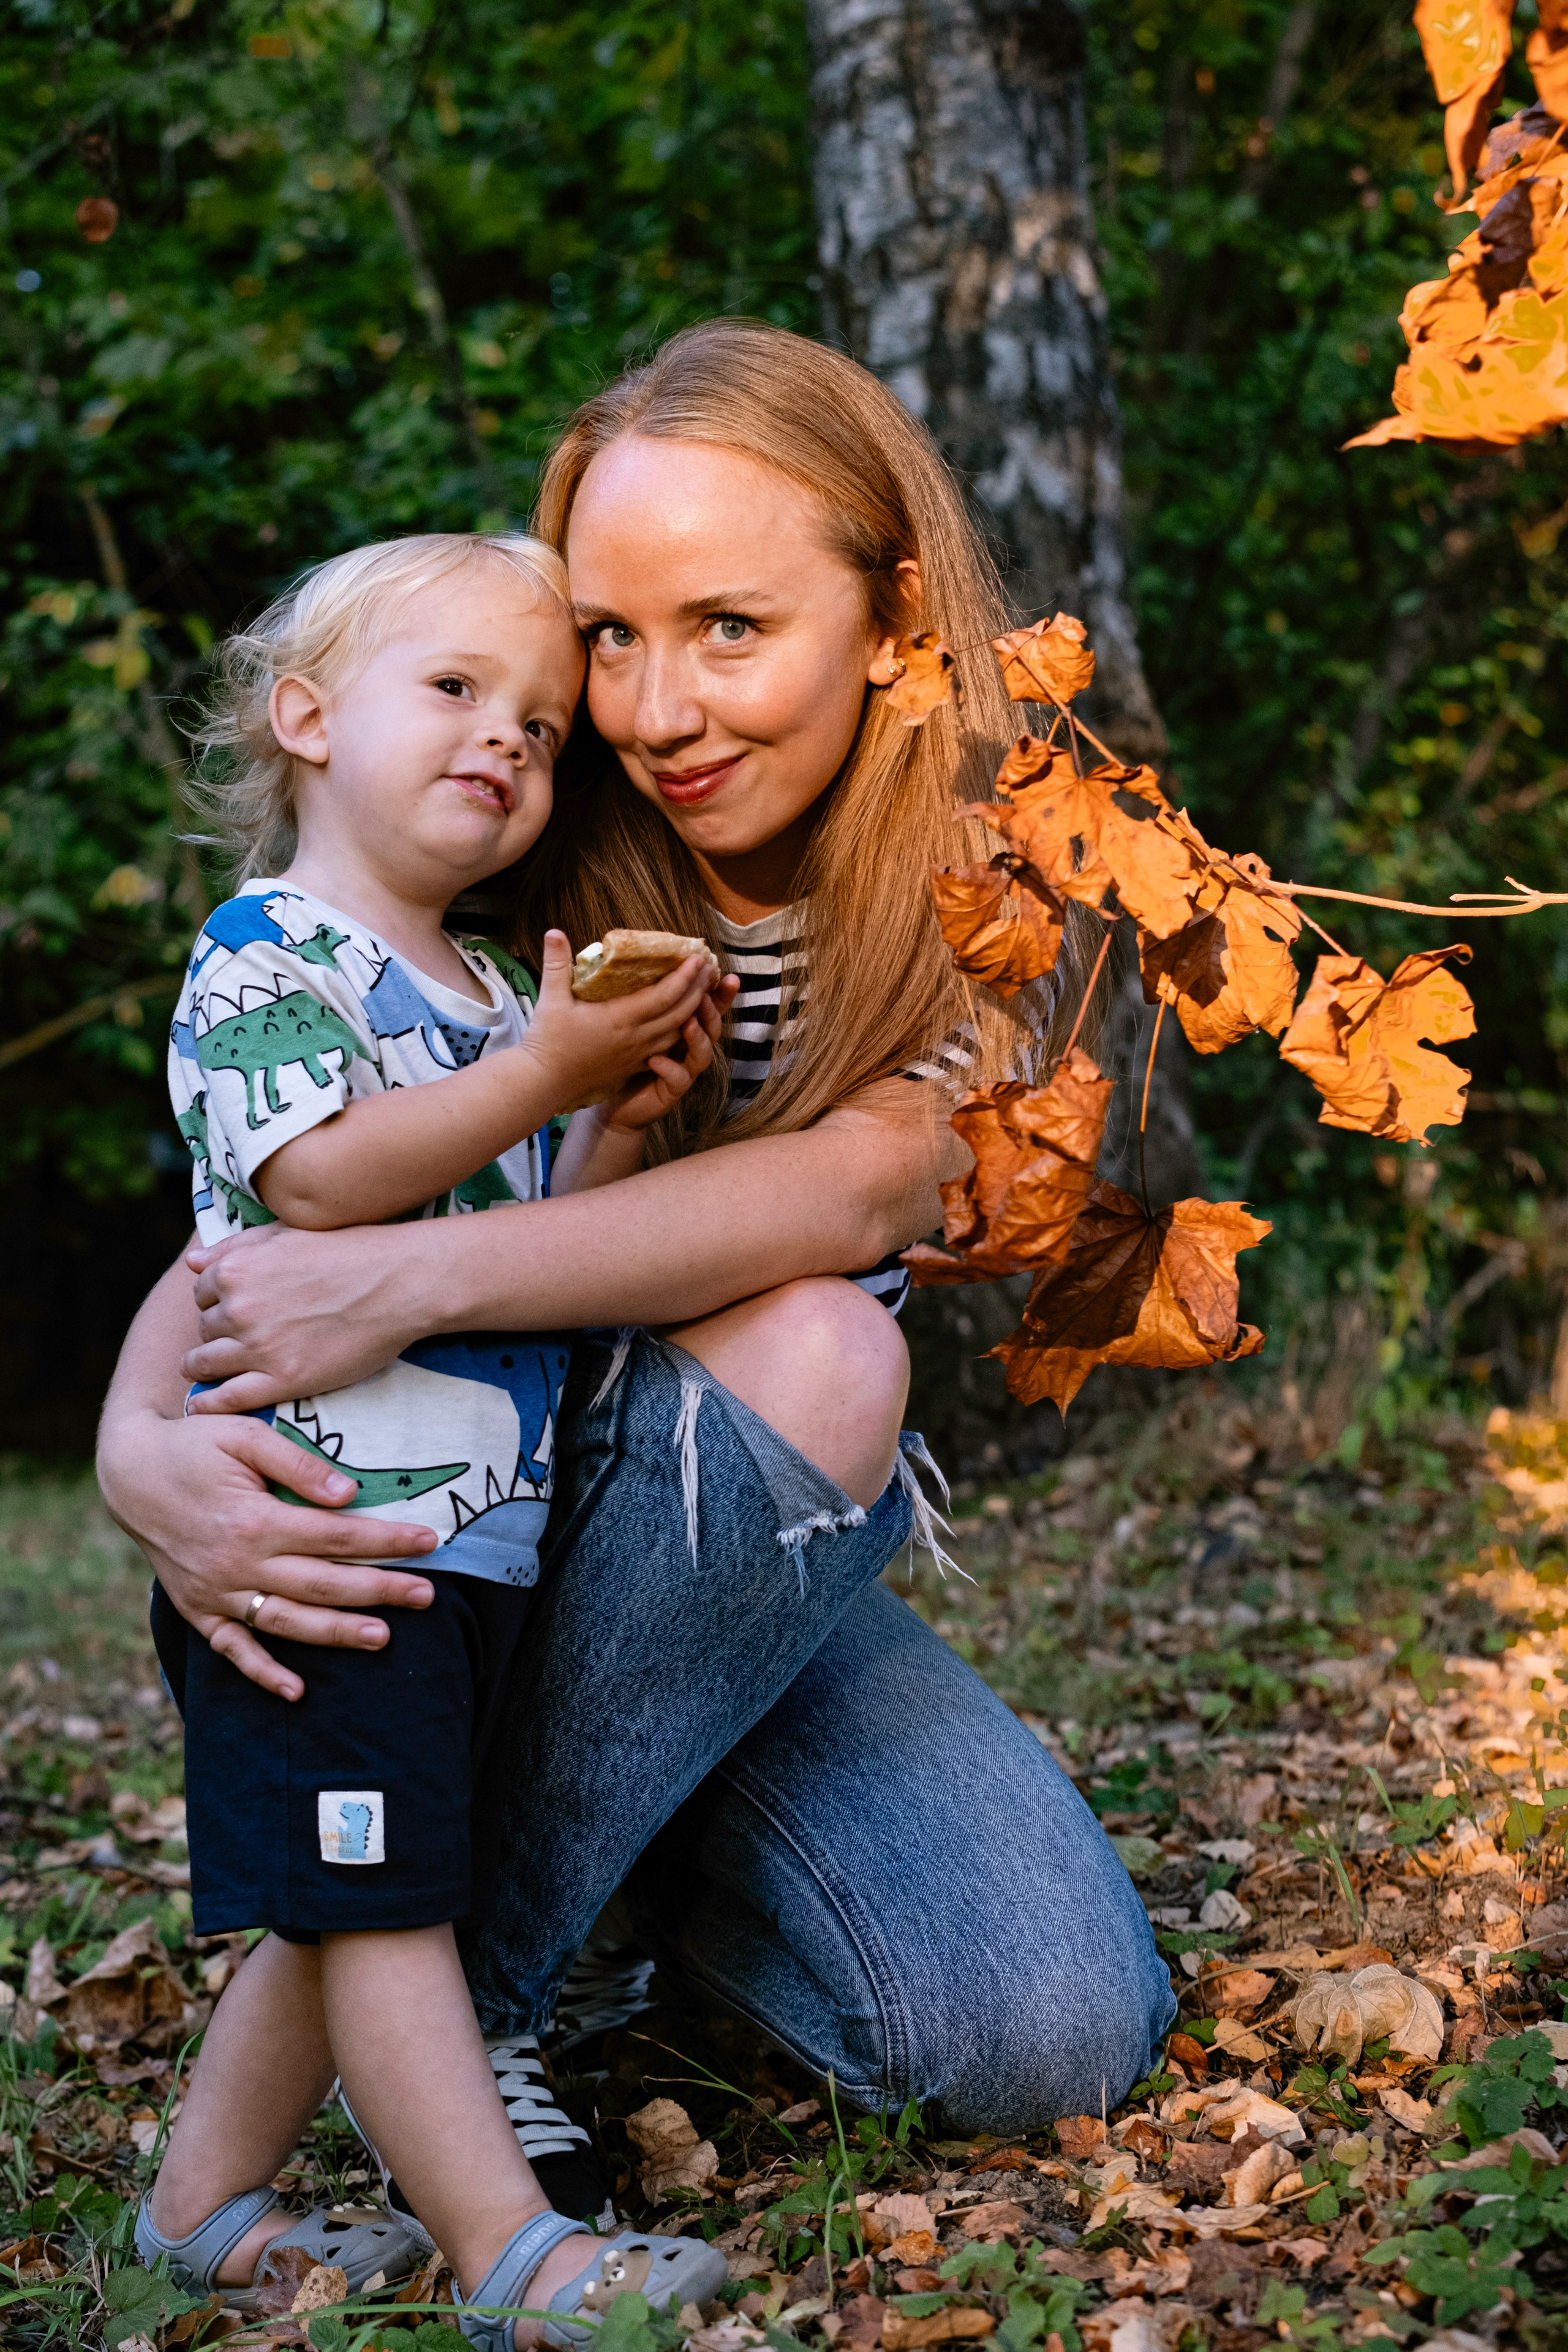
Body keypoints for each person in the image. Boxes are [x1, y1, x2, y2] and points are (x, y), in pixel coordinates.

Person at [97, 322, 1175, 2193]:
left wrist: (412, 1281)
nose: (656, 709)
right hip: (427, 1529)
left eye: (730, 630)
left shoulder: (1006, 888)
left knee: (1046, 2032)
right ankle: (480, 2000)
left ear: (895, 615)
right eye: (610, 635)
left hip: (712, 1559)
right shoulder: (519, 821)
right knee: (825, 1355)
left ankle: (521, 1907)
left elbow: (854, 1196)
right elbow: (298, 1170)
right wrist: (136, 1434)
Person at [134, 530, 728, 2349]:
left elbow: (520, 1252)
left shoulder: (486, 997)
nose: (507, 743)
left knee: (353, 1899)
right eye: (457, 692)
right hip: (320, 1541)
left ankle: (200, 2206)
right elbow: (315, 1185)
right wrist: (541, 1076)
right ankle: (516, 2258)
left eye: (543, 725)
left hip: (463, 1545)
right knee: (388, 1911)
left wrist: (609, 1119)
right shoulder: (265, 959)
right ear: (306, 719)